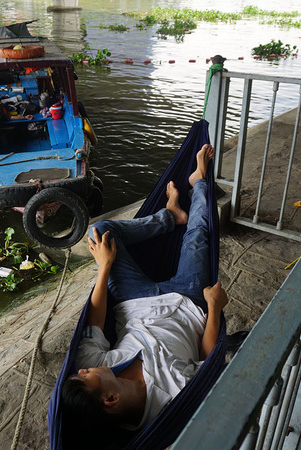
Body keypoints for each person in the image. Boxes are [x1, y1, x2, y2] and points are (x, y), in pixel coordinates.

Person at [61, 144, 229, 435]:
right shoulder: (171, 399)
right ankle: (199, 180)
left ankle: (169, 216)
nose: (82, 370)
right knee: (199, 233)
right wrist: (214, 309)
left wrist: (104, 267)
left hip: (132, 299)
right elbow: (207, 359)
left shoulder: (93, 364)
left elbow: (95, 322)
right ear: (111, 399)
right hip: (186, 301)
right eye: (85, 378)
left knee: (100, 232)